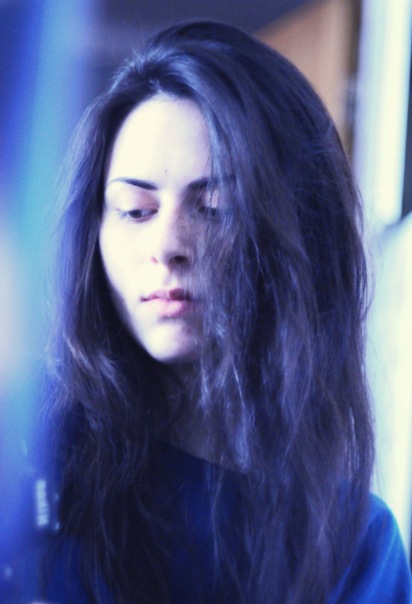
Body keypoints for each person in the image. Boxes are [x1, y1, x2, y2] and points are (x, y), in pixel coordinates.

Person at [44, 20, 412, 604]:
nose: (168, 245)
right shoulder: (28, 471)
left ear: (299, 232)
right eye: (136, 210)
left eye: (214, 207)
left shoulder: (355, 544)